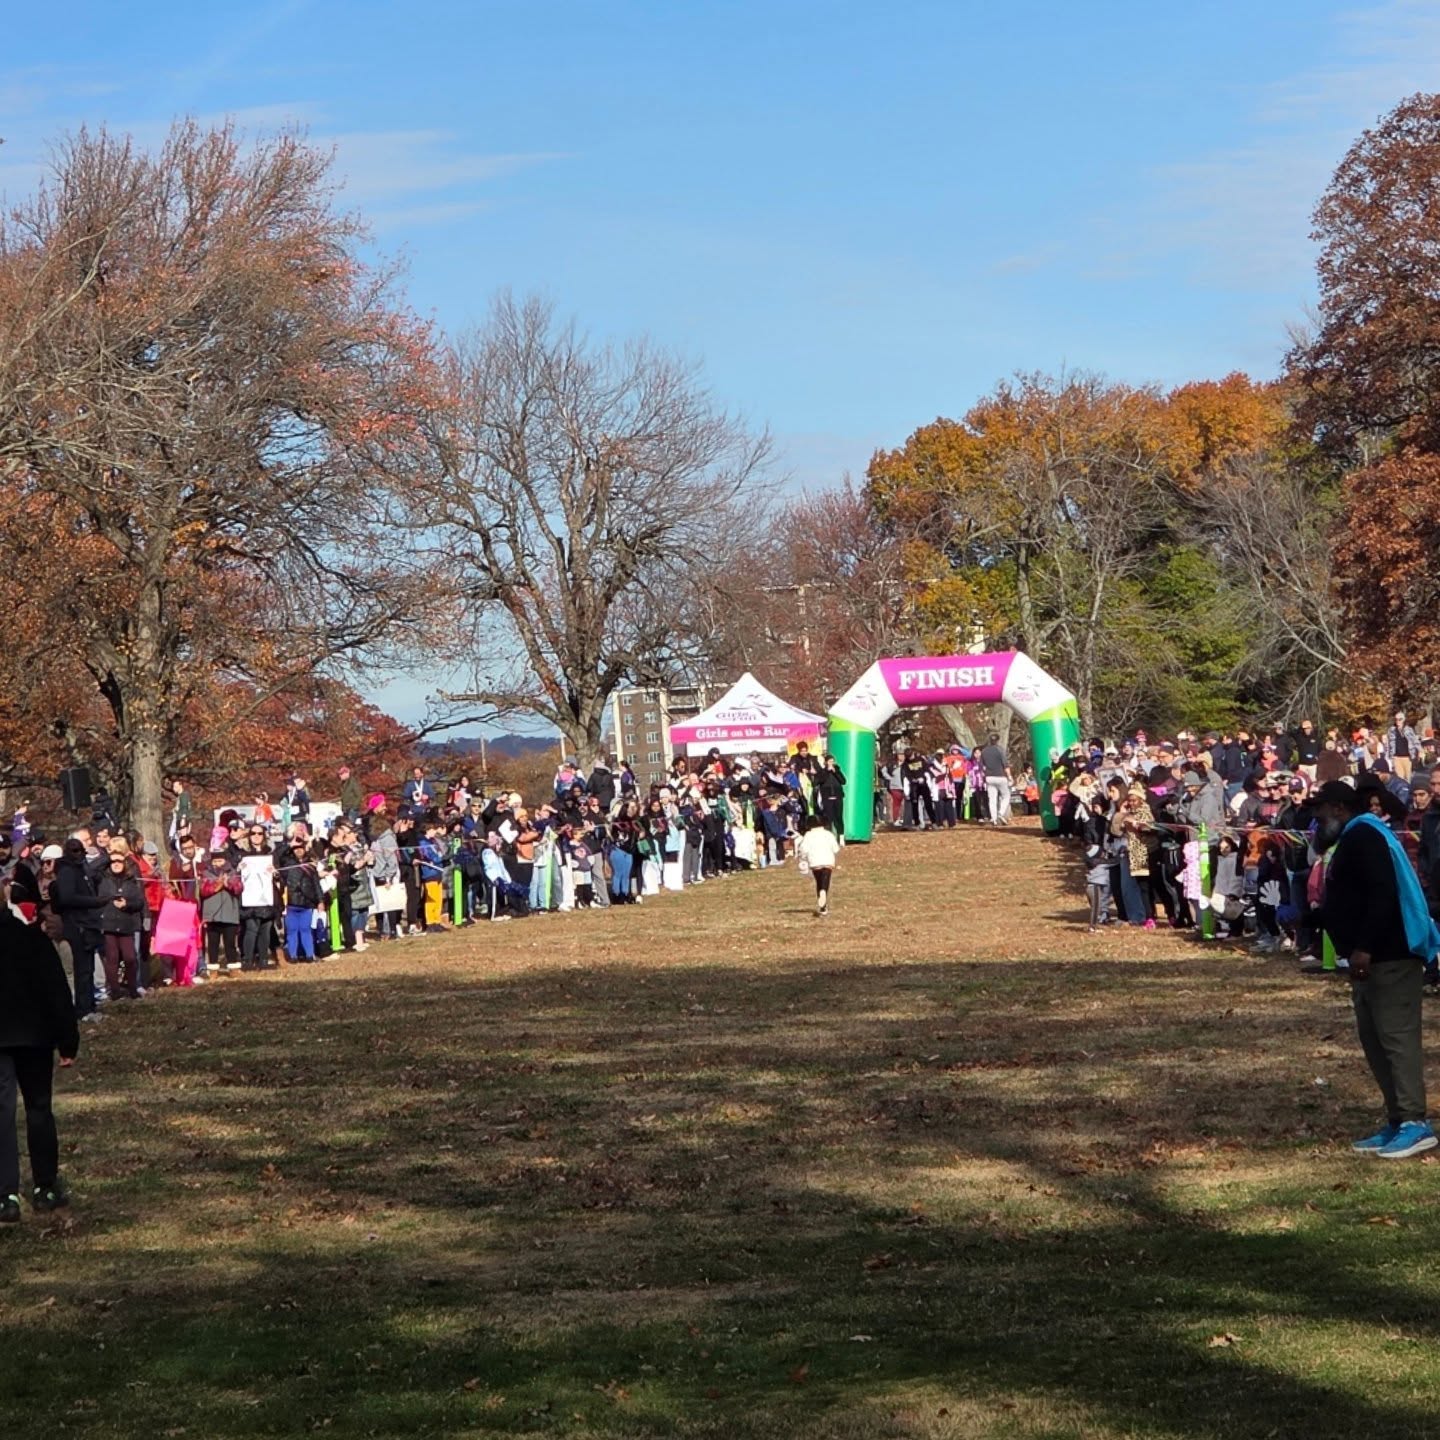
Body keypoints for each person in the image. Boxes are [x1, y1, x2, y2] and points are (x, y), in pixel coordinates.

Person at [1315, 779, 1440, 1159]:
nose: (1318, 819)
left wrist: (1365, 947)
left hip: (1390, 955)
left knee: (1397, 1039)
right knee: (1375, 1040)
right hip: (1370, 958)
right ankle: (1397, 1117)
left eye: (1321, 811)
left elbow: (1383, 893)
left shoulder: (1364, 836)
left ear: (1338, 808)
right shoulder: (1355, 837)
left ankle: (1416, 1122)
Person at [0, 893, 80, 1223]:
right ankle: (44, 1186)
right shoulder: (34, 940)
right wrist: (68, 1041)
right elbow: (57, 992)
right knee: (39, 1109)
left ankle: (5, 1194)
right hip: (35, 1037)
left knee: (1, 1113)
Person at [796, 816, 839, 917]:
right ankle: (824, 893)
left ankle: (822, 906)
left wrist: (802, 858)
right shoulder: (828, 834)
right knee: (826, 880)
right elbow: (836, 848)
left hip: (815, 861)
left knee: (819, 882)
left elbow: (803, 849)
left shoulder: (808, 835)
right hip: (828, 860)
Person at [979, 732, 1012, 827]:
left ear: (989, 740)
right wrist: (1009, 776)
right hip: (1000, 776)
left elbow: (982, 766)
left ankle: (993, 819)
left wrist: (984, 776)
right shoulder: (1000, 750)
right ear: (997, 740)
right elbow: (1005, 764)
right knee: (1006, 796)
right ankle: (1000, 813)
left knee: (992, 799)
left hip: (989, 777)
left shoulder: (984, 751)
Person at [1385, 709, 1422, 782]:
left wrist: (1421, 751)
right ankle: (1402, 792)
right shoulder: (1392, 730)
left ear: (1404, 720)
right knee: (1399, 779)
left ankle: (1409, 792)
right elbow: (1389, 744)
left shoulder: (1408, 729)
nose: (1397, 721)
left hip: (1407, 757)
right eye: (1396, 719)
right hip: (1396, 757)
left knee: (1408, 777)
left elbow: (1415, 741)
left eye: (1400, 719)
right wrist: (1388, 756)